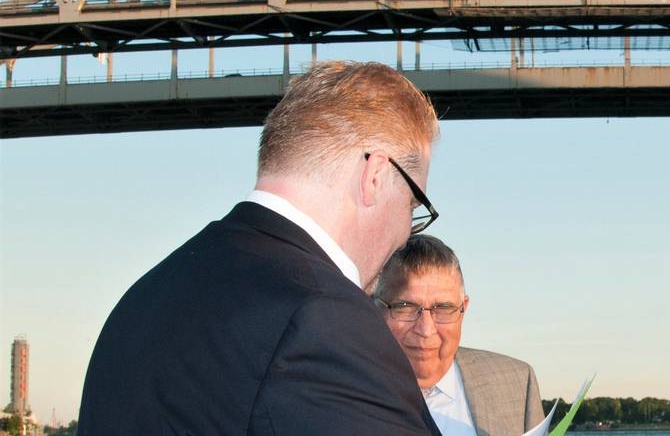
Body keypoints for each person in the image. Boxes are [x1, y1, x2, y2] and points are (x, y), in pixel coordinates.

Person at [79, 61, 443, 435]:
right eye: (413, 204)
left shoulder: (146, 295)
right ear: (376, 177)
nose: (405, 233)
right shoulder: (323, 317)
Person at [375, 235, 545, 436]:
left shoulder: (517, 383)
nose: (426, 329)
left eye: (443, 308)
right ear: (373, 306)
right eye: (405, 307)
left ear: (463, 309)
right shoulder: (337, 387)